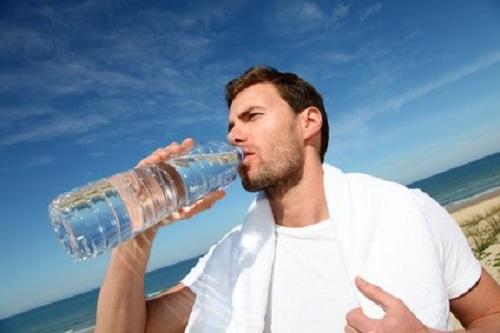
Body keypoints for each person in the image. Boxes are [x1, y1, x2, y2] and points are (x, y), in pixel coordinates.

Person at [96, 66, 500, 333]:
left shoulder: (408, 211)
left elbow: (488, 314)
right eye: (231, 125)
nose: (233, 136)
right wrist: (136, 234)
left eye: (251, 117)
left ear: (308, 122)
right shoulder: (234, 258)